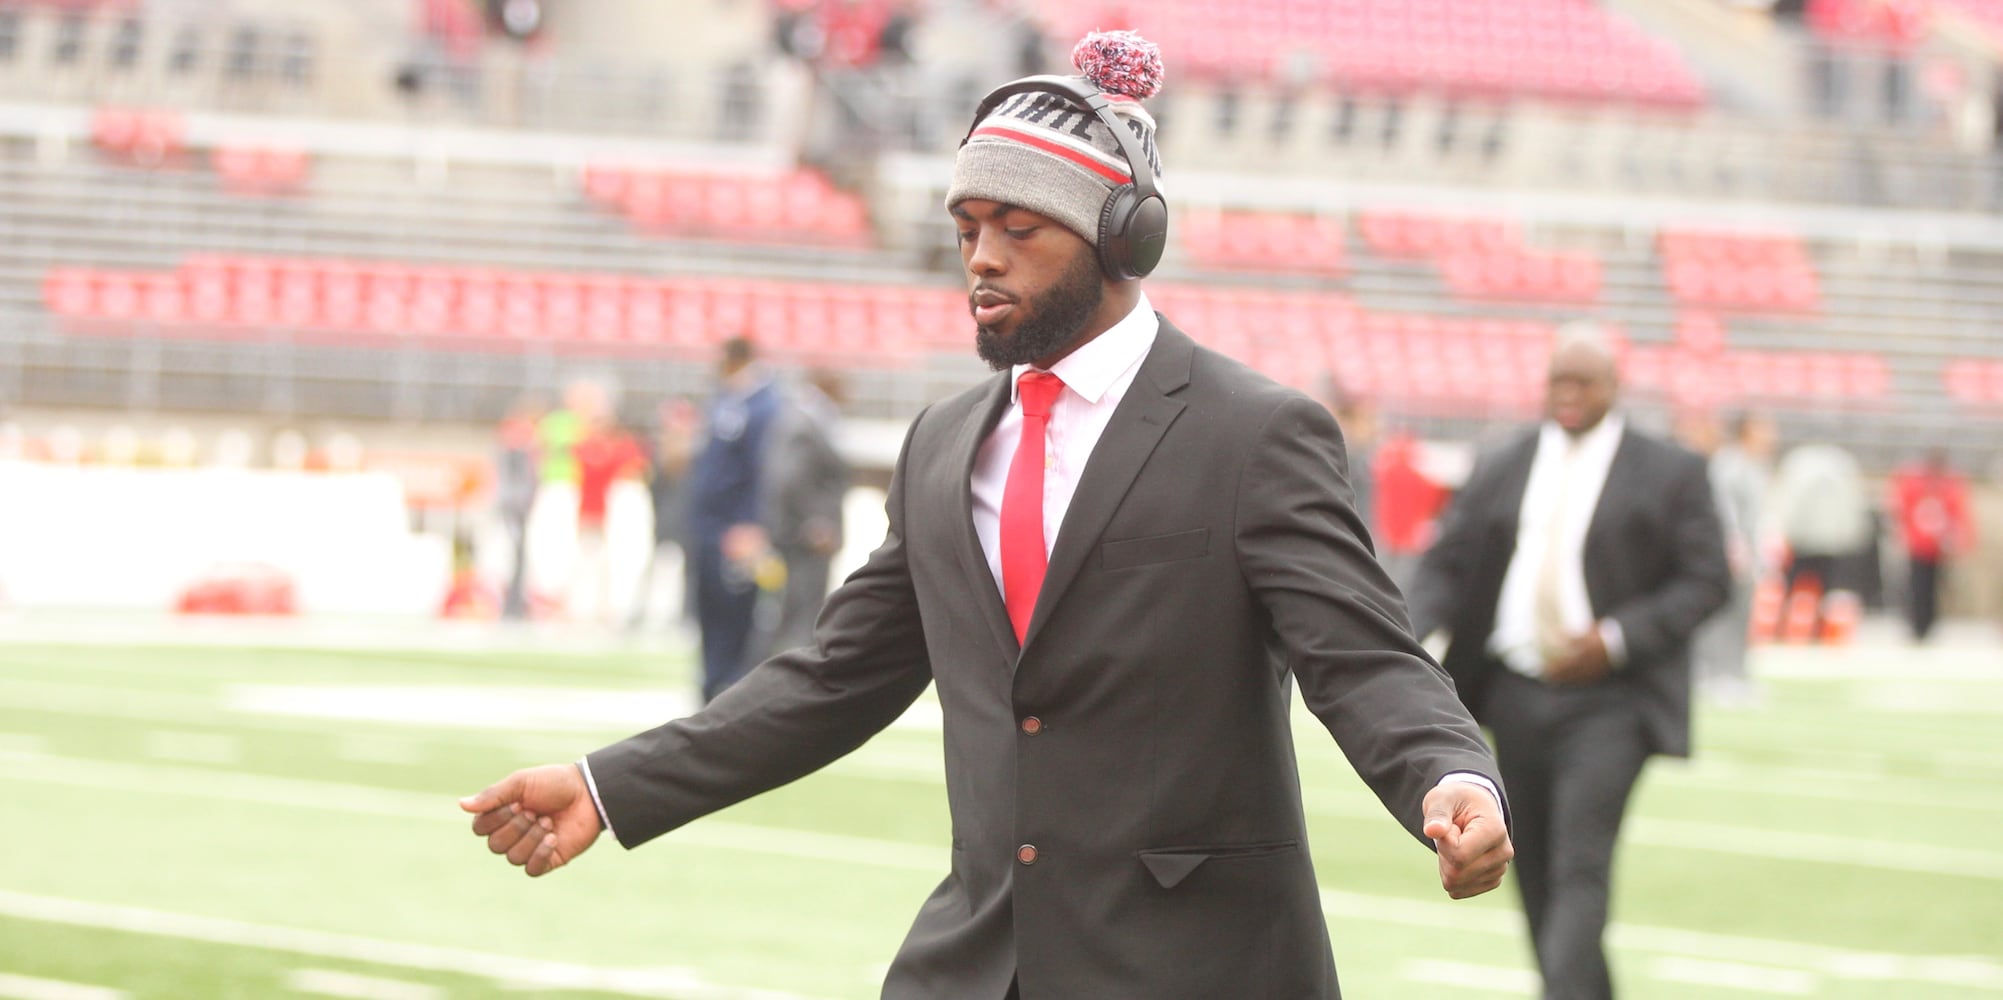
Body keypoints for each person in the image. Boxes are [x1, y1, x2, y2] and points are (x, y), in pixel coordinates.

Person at [460, 31, 1512, 1000]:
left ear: (1120, 239)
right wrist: (610, 784)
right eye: (966, 228)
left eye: (1019, 228)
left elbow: (1364, 657)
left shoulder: (1253, 433)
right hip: (974, 961)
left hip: (1196, 965)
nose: (981, 258)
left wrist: (1449, 773)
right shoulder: (940, 445)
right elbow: (832, 678)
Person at [1406, 325, 1729, 1000]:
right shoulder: (1505, 461)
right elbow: (1449, 561)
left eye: (1583, 381)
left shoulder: (1669, 470)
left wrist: (1616, 637)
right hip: (1514, 694)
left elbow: (1705, 579)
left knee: (1580, 866)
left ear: (1614, 386)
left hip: (1611, 700)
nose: (1569, 395)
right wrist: (1401, 631)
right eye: (1558, 380)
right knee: (1534, 874)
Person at [686, 336, 782, 703]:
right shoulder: (726, 400)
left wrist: (753, 524)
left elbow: (763, 471)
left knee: (736, 614)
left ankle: (733, 691)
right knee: (708, 609)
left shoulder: (766, 406)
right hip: (709, 526)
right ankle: (710, 688)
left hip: (737, 529)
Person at [751, 368, 853, 660]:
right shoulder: (806, 424)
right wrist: (814, 522)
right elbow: (790, 479)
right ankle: (777, 685)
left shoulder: (802, 420)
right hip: (803, 538)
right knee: (797, 615)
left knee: (791, 612)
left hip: (797, 534)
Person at [1694, 411, 1778, 704]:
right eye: (1763, 429)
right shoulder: (1729, 464)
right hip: (1731, 554)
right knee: (1723, 616)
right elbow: (1723, 509)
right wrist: (1733, 546)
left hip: (1750, 554)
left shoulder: (1754, 465)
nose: (1771, 436)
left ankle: (1736, 674)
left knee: (1743, 616)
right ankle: (1715, 675)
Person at [1771, 439, 1870, 636]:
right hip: (1822, 538)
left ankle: (1807, 629)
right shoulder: (1839, 465)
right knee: (1804, 589)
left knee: (1812, 590)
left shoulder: (1800, 464)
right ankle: (1801, 628)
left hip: (1812, 537)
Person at [1889, 448, 1975, 642]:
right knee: (1917, 587)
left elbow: (1957, 514)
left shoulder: (1950, 486)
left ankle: (1929, 625)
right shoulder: (1914, 483)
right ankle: (1917, 625)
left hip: (1938, 547)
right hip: (1918, 546)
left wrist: (1956, 541)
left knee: (1935, 588)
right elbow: (1902, 510)